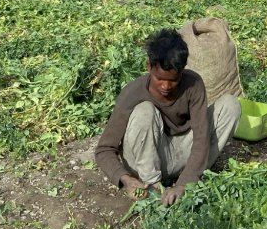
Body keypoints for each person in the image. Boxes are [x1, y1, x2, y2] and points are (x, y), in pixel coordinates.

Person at [95, 29, 241, 206]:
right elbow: (104, 149)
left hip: (183, 153)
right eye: (159, 78)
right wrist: (126, 180)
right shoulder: (132, 92)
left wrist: (184, 184)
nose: (166, 86)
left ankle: (188, 176)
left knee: (230, 105)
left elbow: (201, 139)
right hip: (146, 159)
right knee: (144, 111)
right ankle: (153, 187)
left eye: (173, 80)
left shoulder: (193, 85)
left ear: (182, 71)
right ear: (149, 66)